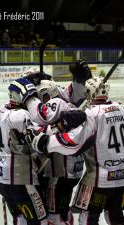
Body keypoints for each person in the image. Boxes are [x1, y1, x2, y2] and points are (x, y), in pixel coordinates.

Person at [23, 77, 124, 225]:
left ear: (89, 92)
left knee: (87, 218)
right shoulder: (121, 108)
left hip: (98, 179)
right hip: (121, 177)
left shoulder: (92, 113)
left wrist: (46, 142)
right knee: (115, 216)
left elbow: (74, 143)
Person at [18, 60, 92, 225]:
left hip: (60, 172)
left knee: (55, 215)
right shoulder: (59, 98)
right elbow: (75, 96)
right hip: (69, 170)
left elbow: (39, 129)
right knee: (61, 213)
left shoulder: (50, 100)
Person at [0, 78, 48, 225]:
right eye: (28, 96)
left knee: (19, 217)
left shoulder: (2, 110)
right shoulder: (21, 115)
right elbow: (38, 138)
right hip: (19, 179)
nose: (30, 100)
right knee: (38, 220)